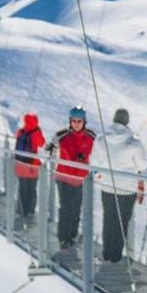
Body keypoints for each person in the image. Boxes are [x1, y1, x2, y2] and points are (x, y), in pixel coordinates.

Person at [95, 108, 147, 263]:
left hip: (107, 186)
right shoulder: (133, 141)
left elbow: (96, 160)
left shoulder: (102, 139)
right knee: (121, 221)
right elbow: (142, 165)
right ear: (127, 121)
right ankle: (115, 256)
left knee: (109, 219)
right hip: (126, 189)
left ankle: (106, 253)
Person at [46, 106, 95, 251]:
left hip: (80, 180)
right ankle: (63, 238)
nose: (76, 124)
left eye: (79, 121)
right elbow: (50, 150)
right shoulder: (61, 135)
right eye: (73, 121)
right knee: (66, 208)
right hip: (64, 178)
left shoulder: (91, 137)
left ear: (84, 122)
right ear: (70, 121)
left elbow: (98, 154)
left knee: (76, 209)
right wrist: (52, 152)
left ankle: (72, 236)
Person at [13, 113, 45, 221]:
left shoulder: (21, 131)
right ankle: (30, 212)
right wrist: (38, 131)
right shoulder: (35, 133)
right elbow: (42, 143)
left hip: (21, 165)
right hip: (32, 167)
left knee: (22, 189)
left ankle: (21, 211)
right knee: (32, 189)